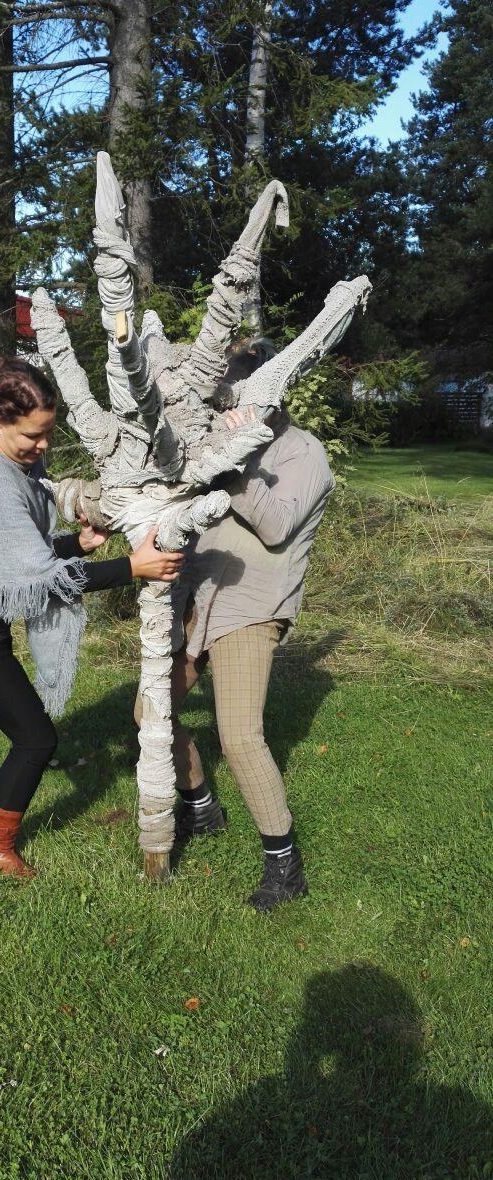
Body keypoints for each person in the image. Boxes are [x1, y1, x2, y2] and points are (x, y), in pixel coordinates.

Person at [0, 356, 183, 879]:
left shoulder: (9, 463)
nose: (44, 446)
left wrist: (74, 542)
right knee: (36, 738)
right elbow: (41, 579)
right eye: (34, 434)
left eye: (49, 433)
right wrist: (133, 567)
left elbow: (14, 556)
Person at [137, 352, 334, 912]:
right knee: (151, 712)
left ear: (275, 394)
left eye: (238, 395)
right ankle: (200, 804)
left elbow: (274, 525)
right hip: (197, 598)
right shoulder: (217, 437)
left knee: (241, 736)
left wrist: (239, 456)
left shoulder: (304, 452)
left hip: (252, 605)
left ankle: (284, 861)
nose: (229, 405)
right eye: (226, 396)